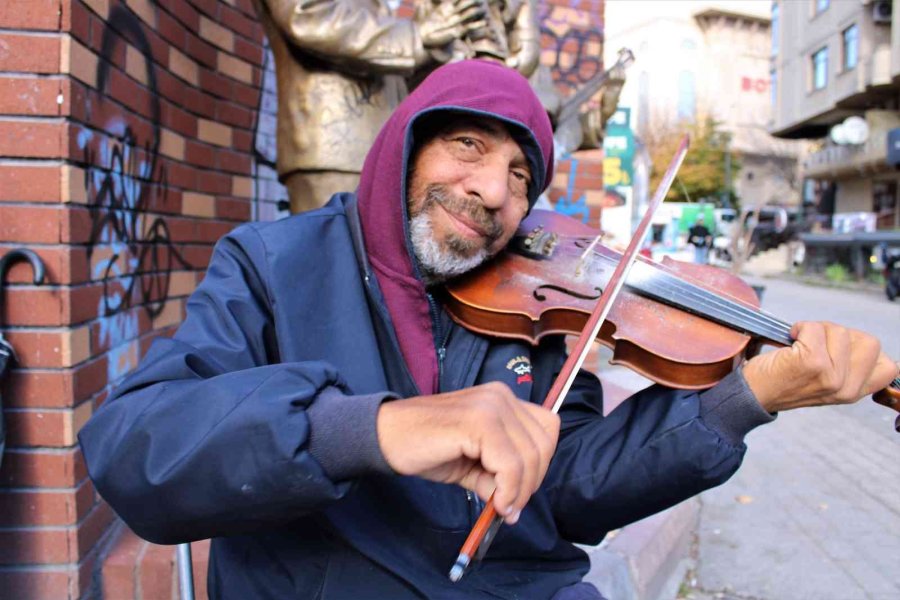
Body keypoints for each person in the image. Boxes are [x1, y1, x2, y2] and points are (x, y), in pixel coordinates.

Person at [78, 61, 897, 600]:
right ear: (405, 146)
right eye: (466, 147)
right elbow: (135, 446)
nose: (490, 191)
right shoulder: (271, 262)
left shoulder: (532, 309)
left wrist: (744, 397)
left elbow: (575, 492)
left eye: (518, 176)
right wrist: (370, 428)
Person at [252, 0, 487, 213]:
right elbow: (309, 16)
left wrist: (440, 46)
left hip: (374, 146)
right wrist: (418, 34)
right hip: (334, 147)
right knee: (329, 253)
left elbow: (389, 69)